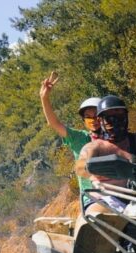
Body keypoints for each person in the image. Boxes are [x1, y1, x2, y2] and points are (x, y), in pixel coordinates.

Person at [40, 71, 102, 200]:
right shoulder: (78, 138)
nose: (93, 120)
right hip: (91, 200)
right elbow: (54, 123)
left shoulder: (115, 136)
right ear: (83, 120)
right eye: (88, 117)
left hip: (119, 194)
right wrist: (44, 98)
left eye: (96, 115)